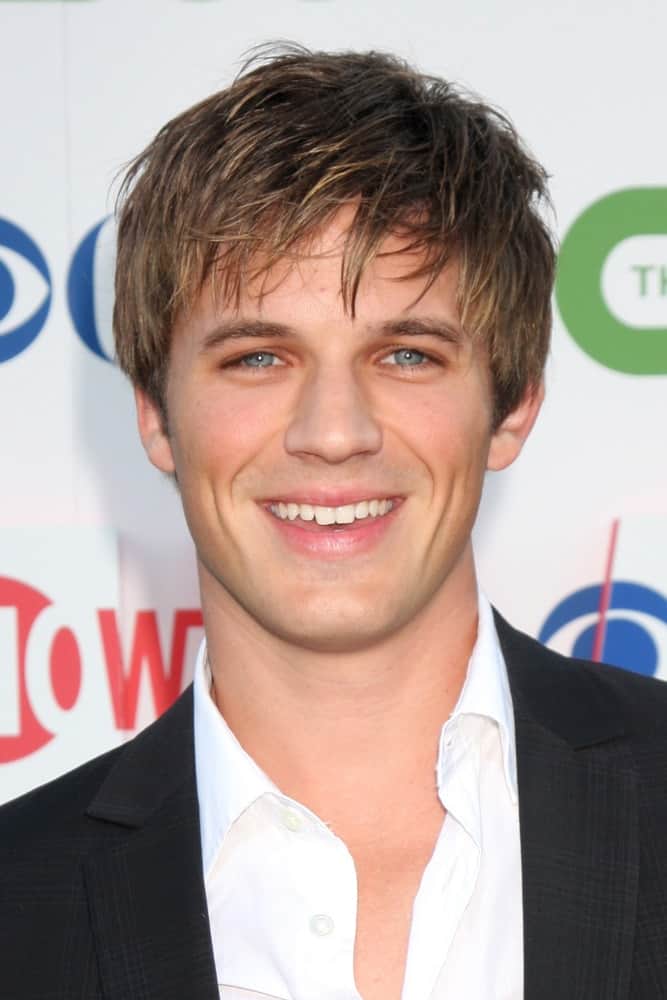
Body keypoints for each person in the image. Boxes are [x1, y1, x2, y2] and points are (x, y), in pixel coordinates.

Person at [1, 44, 666, 1000]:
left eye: (404, 355)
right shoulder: (19, 907)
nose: (333, 433)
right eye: (258, 358)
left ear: (512, 405)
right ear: (154, 414)